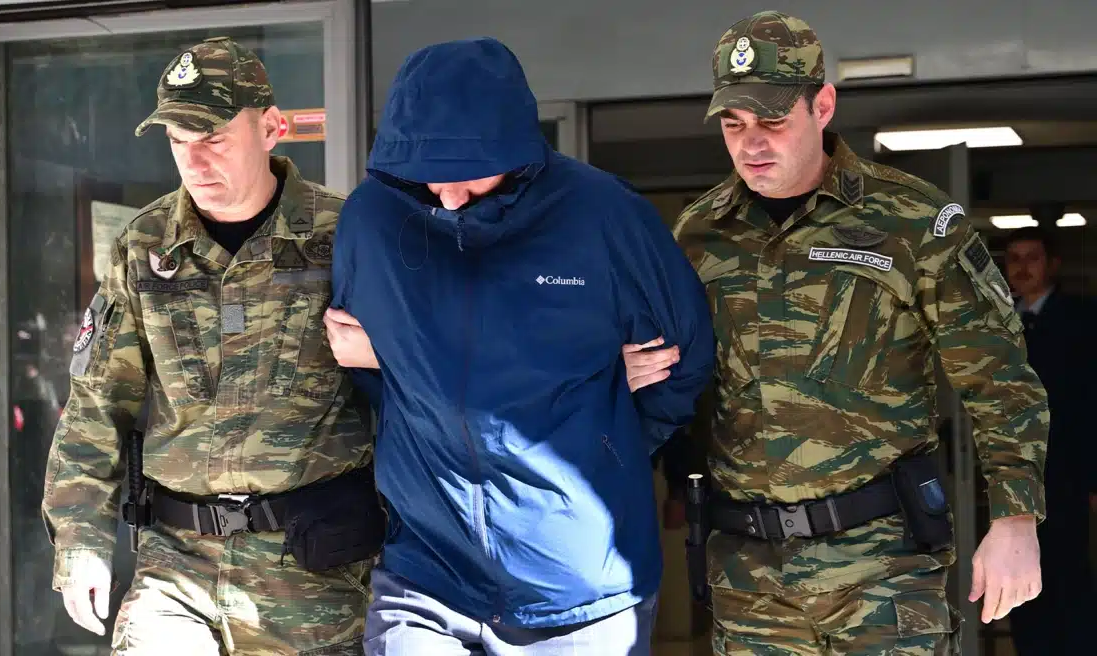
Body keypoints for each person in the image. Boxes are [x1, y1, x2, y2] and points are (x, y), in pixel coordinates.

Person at [624, 11, 1049, 654]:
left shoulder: (912, 221)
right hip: (750, 578)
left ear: (821, 106)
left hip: (883, 566)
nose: (750, 144)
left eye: (771, 121)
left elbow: (999, 377)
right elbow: (674, 379)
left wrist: (1016, 518)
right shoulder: (697, 235)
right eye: (733, 125)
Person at [322, 36, 715, 655]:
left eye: (464, 173)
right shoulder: (372, 219)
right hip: (426, 568)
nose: (447, 195)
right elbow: (369, 368)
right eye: (427, 173)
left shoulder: (605, 214)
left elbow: (681, 360)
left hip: (578, 585)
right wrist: (405, 365)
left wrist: (603, 434)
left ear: (513, 147)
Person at [41, 37, 381, 655]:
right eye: (178, 141)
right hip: (177, 560)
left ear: (271, 128)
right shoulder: (146, 245)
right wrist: (82, 539)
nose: (194, 162)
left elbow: (419, 390)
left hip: (312, 570)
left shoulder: (347, 236)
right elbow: (97, 402)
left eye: (214, 139)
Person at [1001, 226, 1095, 655]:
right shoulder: (998, 320)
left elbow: (1090, 400)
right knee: (1019, 571)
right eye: (1014, 258)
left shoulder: (1083, 319)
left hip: (1068, 468)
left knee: (1069, 569)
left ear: (1053, 264)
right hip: (1014, 470)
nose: (1022, 268)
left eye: (1032, 258)